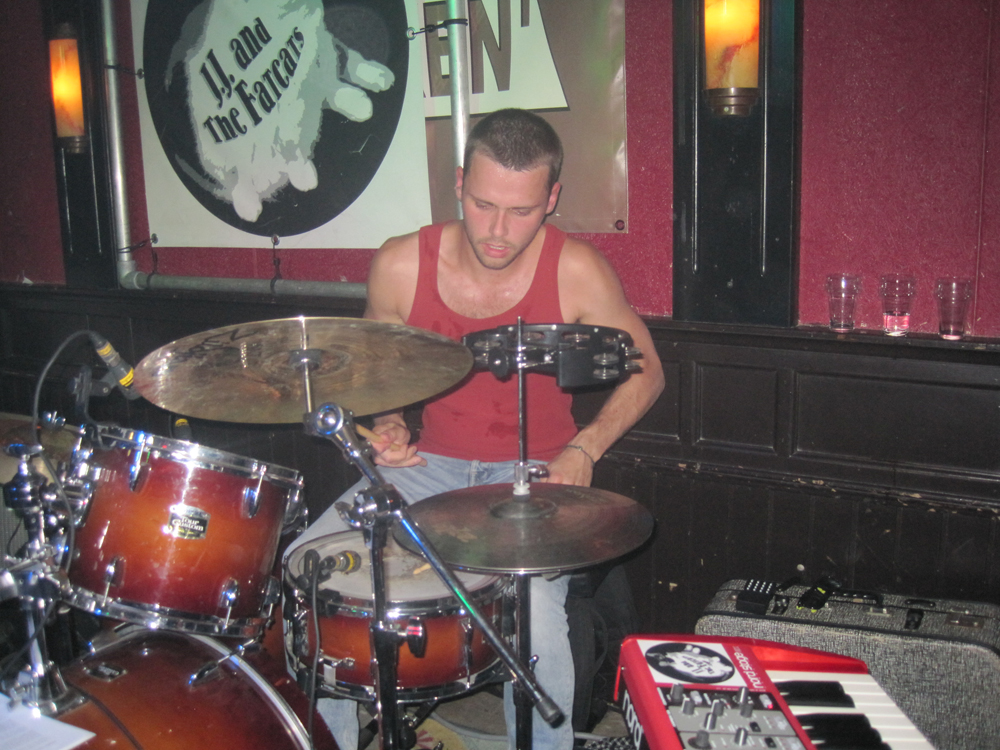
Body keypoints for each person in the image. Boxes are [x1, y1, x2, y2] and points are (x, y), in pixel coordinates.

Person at [288, 108, 665, 750]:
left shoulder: (576, 269)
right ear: (459, 183)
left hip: (532, 479)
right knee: (313, 572)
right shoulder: (401, 264)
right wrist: (389, 425)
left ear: (552, 198)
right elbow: (382, 374)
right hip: (426, 469)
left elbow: (648, 371)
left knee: (537, 628)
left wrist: (585, 448)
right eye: (484, 204)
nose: (497, 230)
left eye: (521, 211)